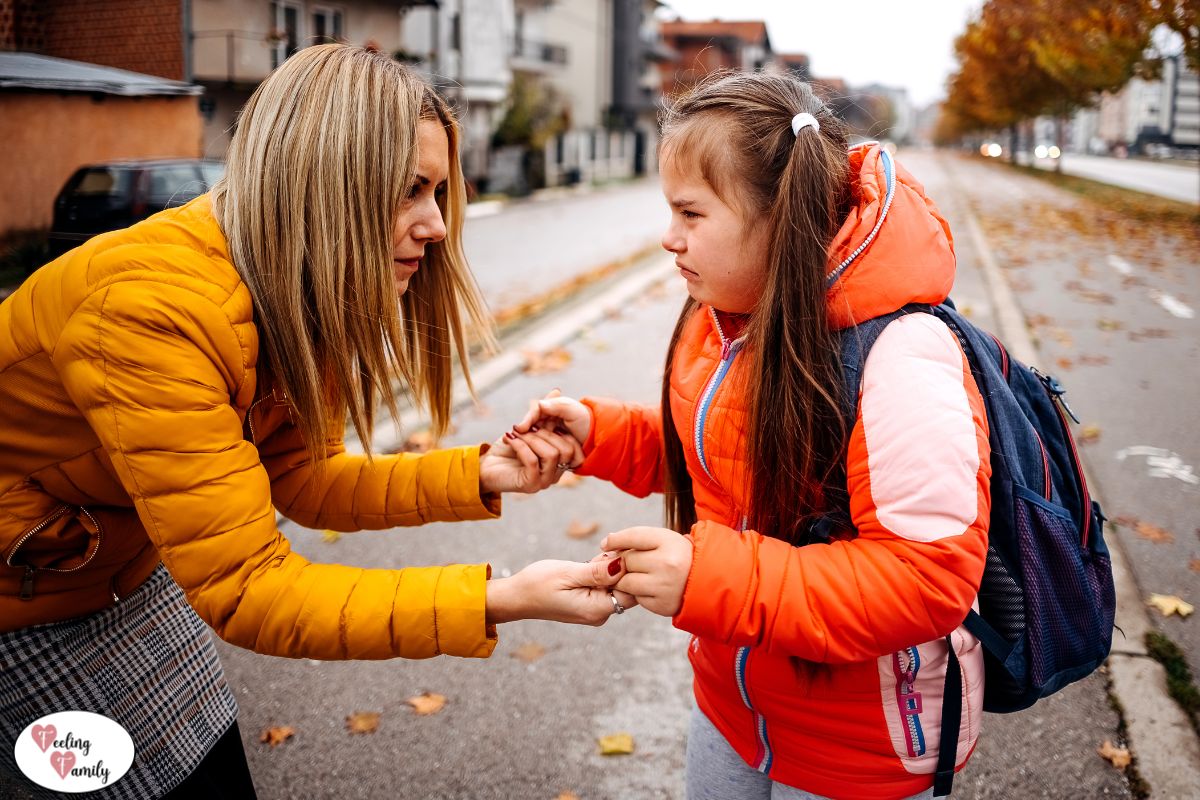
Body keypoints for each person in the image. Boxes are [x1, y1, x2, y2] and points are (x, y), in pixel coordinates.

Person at [0, 45, 624, 800]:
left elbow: (301, 477)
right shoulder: (146, 311)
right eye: (410, 190)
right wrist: (502, 597)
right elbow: (251, 590)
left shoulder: (294, 283)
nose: (436, 225)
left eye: (438, 192)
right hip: (21, 605)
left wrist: (483, 473)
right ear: (323, 183)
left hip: (115, 567)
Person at [516, 71, 991, 800]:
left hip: (858, 748)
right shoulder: (725, 319)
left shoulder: (901, 354)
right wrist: (599, 435)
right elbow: (725, 459)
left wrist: (709, 579)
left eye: (691, 213)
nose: (669, 238)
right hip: (733, 709)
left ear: (780, 218)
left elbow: (925, 579)